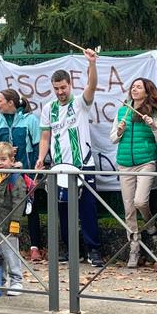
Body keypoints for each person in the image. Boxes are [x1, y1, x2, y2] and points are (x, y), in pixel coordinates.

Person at [35, 48, 104, 267]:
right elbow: (45, 137)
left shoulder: (80, 103)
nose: (60, 92)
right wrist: (40, 157)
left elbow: (92, 86)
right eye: (56, 89)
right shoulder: (48, 109)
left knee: (88, 209)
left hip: (83, 165)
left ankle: (94, 250)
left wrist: (92, 64)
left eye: (63, 87)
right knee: (63, 210)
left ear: (69, 85)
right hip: (59, 167)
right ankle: (71, 249)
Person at [112, 77, 157, 267]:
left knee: (140, 201)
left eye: (139, 87)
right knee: (128, 208)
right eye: (133, 86)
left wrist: (153, 125)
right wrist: (119, 131)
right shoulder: (122, 110)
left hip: (146, 162)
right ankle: (134, 247)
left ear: (147, 91)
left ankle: (150, 222)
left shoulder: (154, 111)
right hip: (124, 164)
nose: (134, 89)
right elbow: (112, 139)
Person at [0, 87, 44, 262]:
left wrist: (34, 169)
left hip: (24, 171)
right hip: (4, 173)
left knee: (30, 209)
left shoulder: (30, 120)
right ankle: (5, 246)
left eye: (0, 101)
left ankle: (35, 247)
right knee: (4, 207)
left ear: (10, 103)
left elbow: (37, 146)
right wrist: (2, 153)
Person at [0, 142, 27, 295]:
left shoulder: (15, 177)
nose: (0, 163)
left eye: (3, 159)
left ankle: (17, 281)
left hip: (8, 224)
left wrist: (15, 222)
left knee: (11, 253)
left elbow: (19, 201)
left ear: (12, 160)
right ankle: (0, 281)